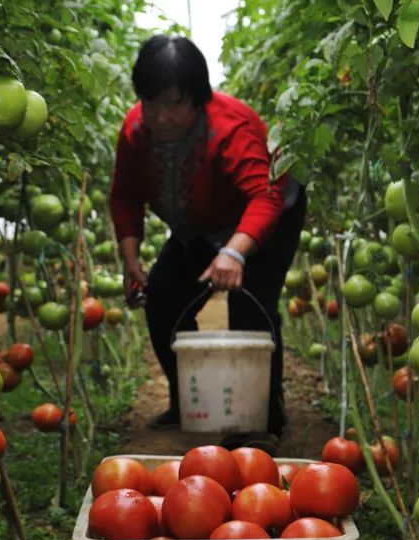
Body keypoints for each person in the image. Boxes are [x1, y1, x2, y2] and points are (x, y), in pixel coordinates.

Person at [108, 35, 307, 451]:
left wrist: (234, 252)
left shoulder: (230, 127)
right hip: (199, 225)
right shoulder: (135, 131)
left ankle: (263, 420)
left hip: (267, 217)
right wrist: (130, 259)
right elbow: (125, 194)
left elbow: (264, 196)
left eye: (175, 103)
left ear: (198, 98)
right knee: (162, 298)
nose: (162, 116)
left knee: (251, 303)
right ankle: (188, 401)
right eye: (152, 102)